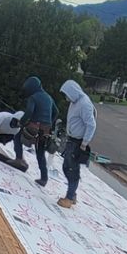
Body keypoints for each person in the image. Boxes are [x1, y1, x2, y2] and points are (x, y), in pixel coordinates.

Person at [57, 79, 96, 209]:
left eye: (67, 94)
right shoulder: (75, 102)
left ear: (73, 92)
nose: (66, 98)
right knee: (66, 167)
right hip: (71, 139)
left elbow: (91, 125)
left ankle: (69, 198)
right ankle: (72, 194)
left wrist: (85, 143)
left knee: (72, 169)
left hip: (78, 142)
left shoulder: (84, 104)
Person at [14, 76, 55, 187]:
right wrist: (49, 122)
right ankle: (44, 178)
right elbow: (56, 111)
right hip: (46, 130)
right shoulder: (49, 98)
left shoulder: (33, 97)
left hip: (34, 128)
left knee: (17, 136)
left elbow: (29, 112)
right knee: (40, 153)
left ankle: (18, 159)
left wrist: (21, 123)